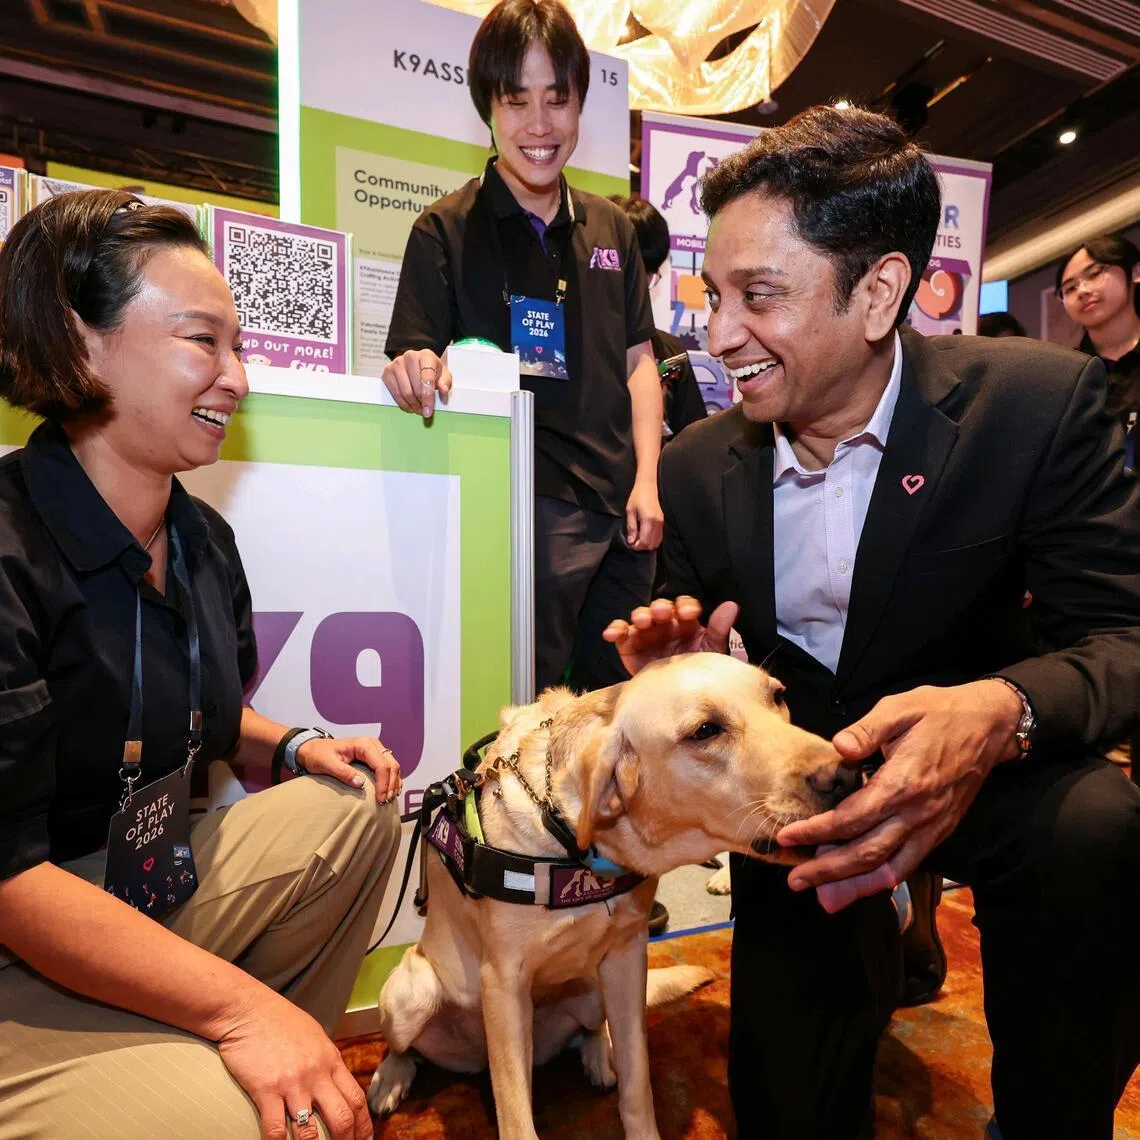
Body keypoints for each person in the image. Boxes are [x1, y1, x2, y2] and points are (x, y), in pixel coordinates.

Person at [604, 106, 1140, 1140]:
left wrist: (1001, 710)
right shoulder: (697, 469)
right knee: (787, 1112)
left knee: (1098, 831)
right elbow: (671, 672)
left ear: (880, 292)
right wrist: (676, 677)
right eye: (715, 296)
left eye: (759, 296)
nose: (719, 336)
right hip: (800, 798)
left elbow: (1123, 636)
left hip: (984, 770)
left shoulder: (1033, 407)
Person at [0, 189, 403, 1140]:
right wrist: (244, 1010)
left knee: (354, 813)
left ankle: (200, 1053)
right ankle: (212, 1064)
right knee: (229, 1120)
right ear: (80, 342)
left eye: (239, 346)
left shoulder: (201, 539)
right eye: (202, 342)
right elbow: (8, 877)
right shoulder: (11, 545)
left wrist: (297, 743)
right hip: (19, 929)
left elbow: (201, 722)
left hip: (125, 889)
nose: (239, 377)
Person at [382, 0, 663, 695]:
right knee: (519, 709)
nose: (540, 126)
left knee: (615, 714)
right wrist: (413, 369)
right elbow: (411, 358)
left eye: (556, 100)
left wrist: (648, 480)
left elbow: (639, 364)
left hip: (624, 516)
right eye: (517, 102)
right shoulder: (444, 230)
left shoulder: (611, 229)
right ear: (488, 108)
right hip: (518, 513)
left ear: (578, 107)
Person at [609, 194, 707, 440]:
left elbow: (694, 443)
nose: (637, 282)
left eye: (648, 271)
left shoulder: (670, 353)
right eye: (628, 267)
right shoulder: (565, 344)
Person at [1056, 233, 1140, 470]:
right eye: (1069, 288)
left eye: (1094, 274)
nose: (1082, 290)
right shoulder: (1067, 375)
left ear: (1135, 272)